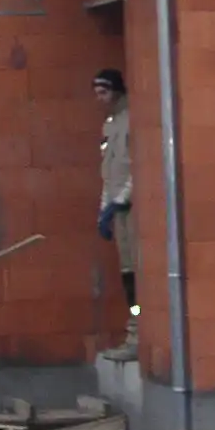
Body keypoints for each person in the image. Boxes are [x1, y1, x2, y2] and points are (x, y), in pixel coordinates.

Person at [94, 68, 138, 361]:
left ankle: (138, 331)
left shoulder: (133, 119)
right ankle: (133, 328)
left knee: (135, 271)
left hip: (132, 209)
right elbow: (108, 170)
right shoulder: (110, 124)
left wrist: (120, 200)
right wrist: (104, 208)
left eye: (104, 92)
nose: (100, 99)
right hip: (117, 208)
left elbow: (137, 167)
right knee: (125, 272)